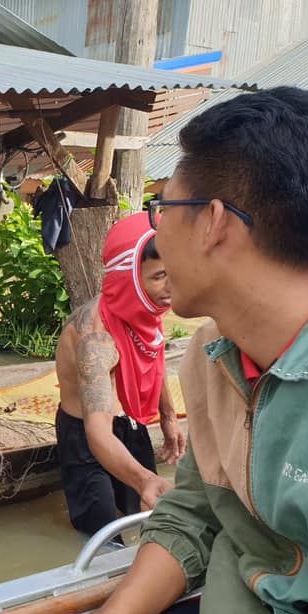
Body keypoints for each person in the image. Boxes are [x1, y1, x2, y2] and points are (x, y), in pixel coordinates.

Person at [0, 85, 308, 614]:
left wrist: (163, 430)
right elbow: (191, 506)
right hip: (207, 600)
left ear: (215, 222)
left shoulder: (169, 333)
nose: (158, 236)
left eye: (163, 207)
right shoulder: (197, 347)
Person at [54, 211, 184, 538]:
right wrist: (144, 479)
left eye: (176, 274)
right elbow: (98, 432)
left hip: (128, 423)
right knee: (102, 536)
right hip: (88, 436)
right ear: (131, 278)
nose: (171, 288)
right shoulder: (95, 339)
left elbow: (152, 353)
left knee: (155, 517)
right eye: (159, 276)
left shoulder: (146, 310)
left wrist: (168, 416)